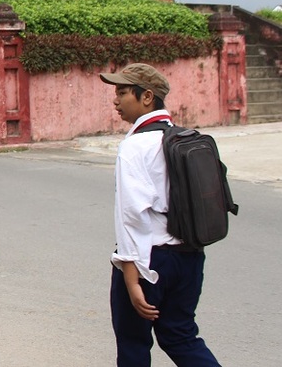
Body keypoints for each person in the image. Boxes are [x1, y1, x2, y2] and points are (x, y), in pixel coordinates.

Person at [99, 63, 221, 367]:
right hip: (189, 258)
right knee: (180, 336)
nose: (116, 100)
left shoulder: (135, 146)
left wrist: (130, 278)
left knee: (133, 344)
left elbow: (131, 217)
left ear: (147, 97)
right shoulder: (184, 139)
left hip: (149, 261)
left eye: (123, 92)